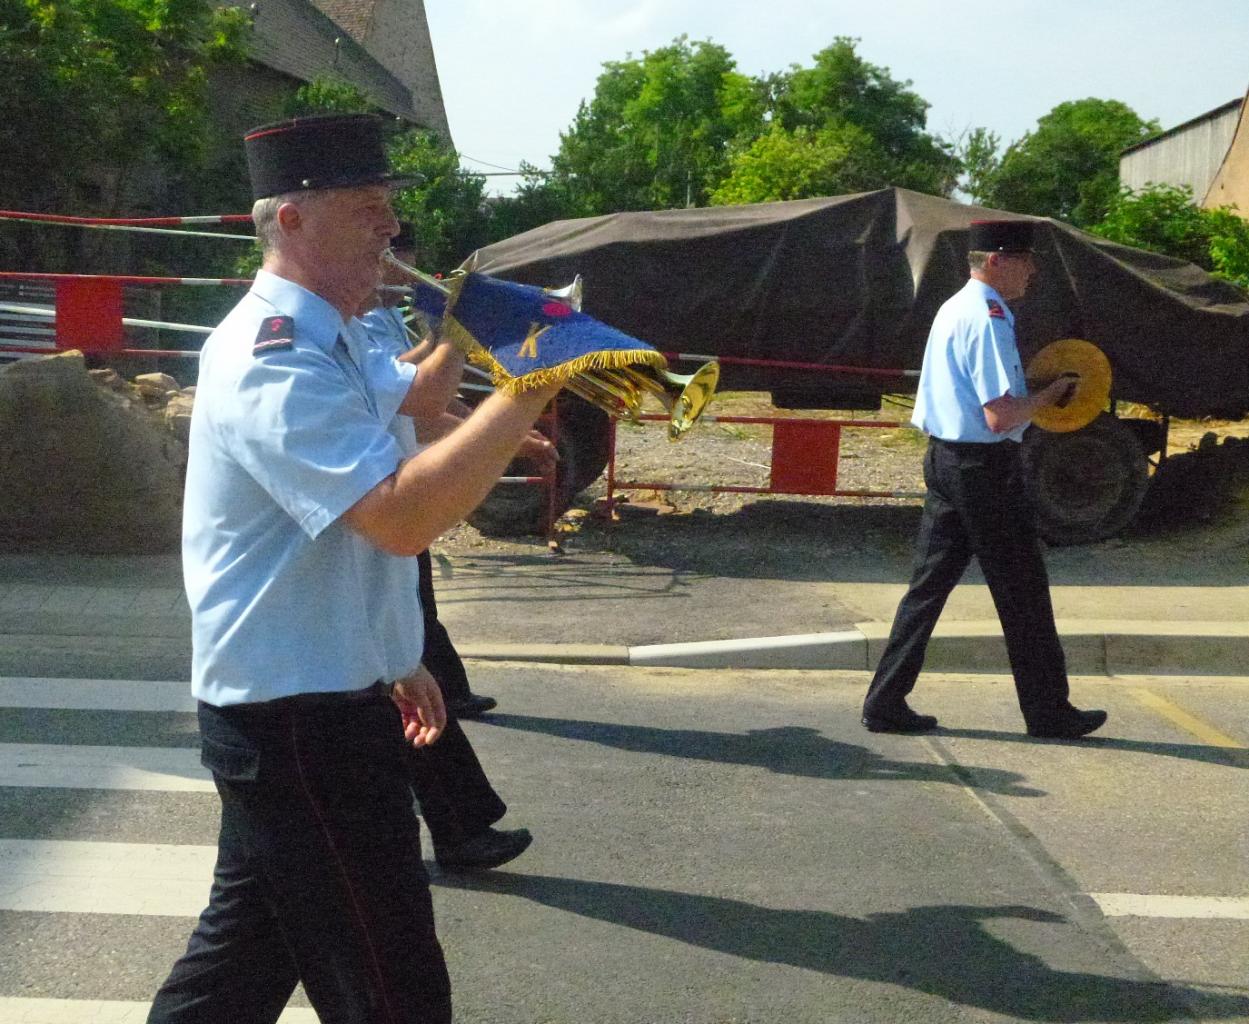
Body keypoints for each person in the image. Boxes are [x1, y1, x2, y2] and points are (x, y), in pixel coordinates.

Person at [148, 113, 559, 1024]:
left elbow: (381, 473)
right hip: (300, 722)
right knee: (392, 986)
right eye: (368, 207)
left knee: (242, 964)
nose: (392, 227)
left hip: (311, 701)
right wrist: (537, 379)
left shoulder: (333, 336)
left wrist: (390, 657)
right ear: (290, 219)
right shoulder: (272, 359)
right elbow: (400, 518)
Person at [860, 219, 1108, 740]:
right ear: (996, 260)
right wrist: (1052, 394)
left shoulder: (955, 306)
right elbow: (1000, 416)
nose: (1033, 270)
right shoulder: (991, 317)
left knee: (926, 589)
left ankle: (885, 701)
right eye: (1025, 259)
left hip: (947, 460)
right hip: (983, 470)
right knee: (1023, 592)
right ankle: (1048, 712)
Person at [355, 234, 550, 871]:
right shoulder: (338, 327)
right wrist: (457, 335)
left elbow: (423, 398)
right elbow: (421, 400)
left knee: (412, 676)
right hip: (380, 516)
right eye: (375, 239)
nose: (388, 260)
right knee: (410, 680)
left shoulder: (378, 318)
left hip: (401, 510)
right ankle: (460, 825)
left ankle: (459, 823)